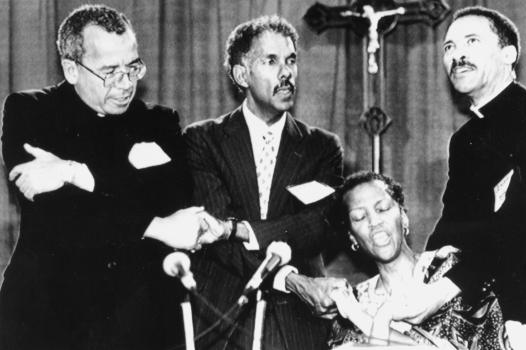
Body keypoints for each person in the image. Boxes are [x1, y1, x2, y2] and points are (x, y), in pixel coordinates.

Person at [0, 4, 217, 350]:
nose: (126, 84)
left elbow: (174, 198)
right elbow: (62, 215)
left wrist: (75, 172)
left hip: (139, 319)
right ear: (71, 69)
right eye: (110, 71)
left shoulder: (159, 122)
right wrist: (158, 226)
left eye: (133, 67)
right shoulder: (30, 112)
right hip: (48, 321)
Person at [184, 15, 346, 350]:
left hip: (300, 322)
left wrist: (240, 229)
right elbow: (215, 236)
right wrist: (290, 279)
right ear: (241, 74)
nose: (286, 73)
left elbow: (321, 226)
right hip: (224, 316)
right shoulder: (203, 140)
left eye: (291, 60)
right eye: (271, 61)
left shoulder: (322, 147)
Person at [424, 6, 526, 349]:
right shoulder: (464, 141)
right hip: (496, 314)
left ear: (509, 54)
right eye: (449, 48)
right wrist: (426, 263)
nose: (457, 55)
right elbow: (456, 224)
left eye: (471, 41)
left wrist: (445, 286)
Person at [328, 171, 507, 349]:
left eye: (382, 209)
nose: (374, 222)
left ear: (403, 217)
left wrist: (366, 318)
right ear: (352, 236)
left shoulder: (450, 270)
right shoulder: (350, 307)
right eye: (359, 217)